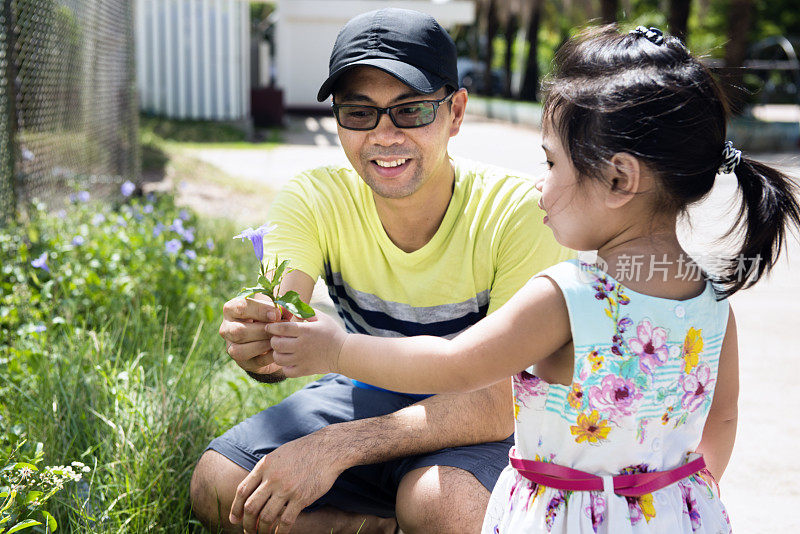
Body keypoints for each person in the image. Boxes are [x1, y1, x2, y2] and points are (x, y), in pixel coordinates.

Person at [265, 25, 800, 533]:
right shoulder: (712, 303)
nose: (540, 189)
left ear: (619, 178)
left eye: (551, 164)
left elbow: (454, 365)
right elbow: (722, 417)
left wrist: (336, 351)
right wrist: (679, 503)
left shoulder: (568, 296)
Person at [189, 8, 569, 534]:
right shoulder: (314, 196)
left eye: (411, 110)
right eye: (359, 112)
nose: (384, 135)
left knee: (440, 505)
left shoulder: (518, 212)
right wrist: (261, 344)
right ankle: (370, 525)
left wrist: (335, 447)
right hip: (368, 392)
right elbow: (283, 316)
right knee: (218, 484)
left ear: (455, 113)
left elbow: (502, 402)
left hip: (481, 416)